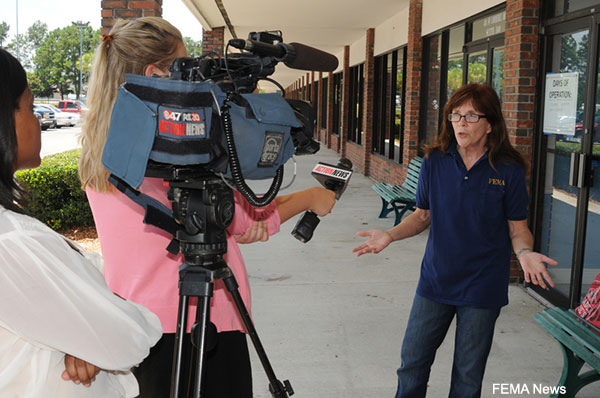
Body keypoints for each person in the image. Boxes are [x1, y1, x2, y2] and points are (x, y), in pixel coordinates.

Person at [78, 17, 336, 398]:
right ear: (155, 74)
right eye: (186, 67)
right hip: (206, 321)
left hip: (137, 326)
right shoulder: (176, 154)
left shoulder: (100, 152)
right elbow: (245, 219)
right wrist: (311, 198)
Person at [353, 83, 558, 398]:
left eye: (471, 116)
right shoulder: (435, 160)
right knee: (412, 363)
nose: (461, 123)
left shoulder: (508, 169)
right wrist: (391, 235)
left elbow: (517, 228)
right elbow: (423, 216)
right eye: (455, 115)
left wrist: (525, 252)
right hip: (436, 280)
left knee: (467, 377)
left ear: (490, 124)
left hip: (483, 285)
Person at [0, 48, 162, 397]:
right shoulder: (12, 242)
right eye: (29, 108)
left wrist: (85, 331)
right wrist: (94, 330)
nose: (38, 119)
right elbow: (127, 340)